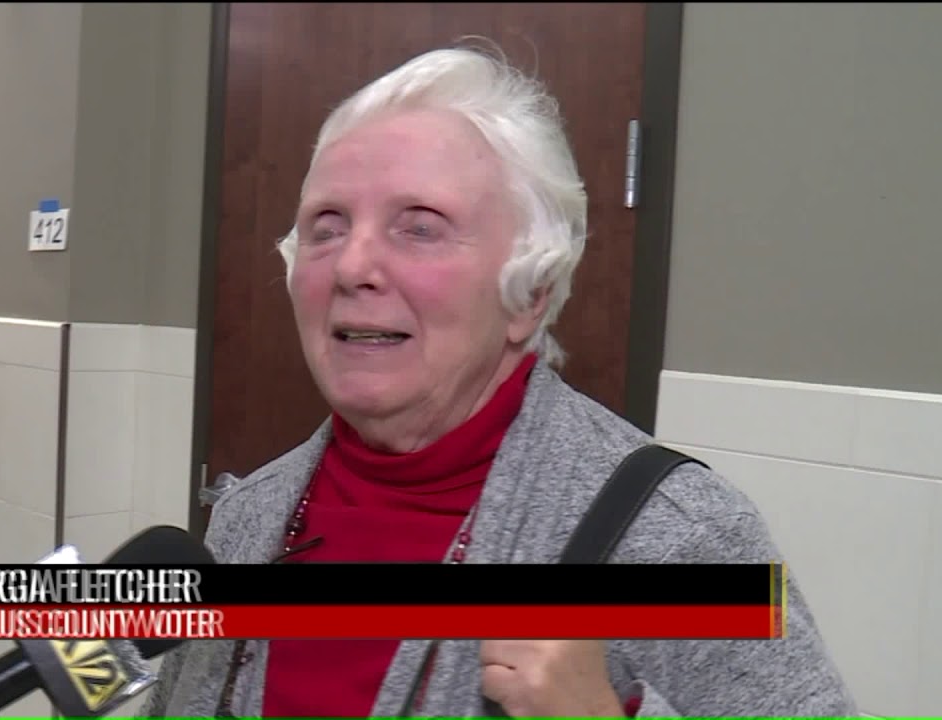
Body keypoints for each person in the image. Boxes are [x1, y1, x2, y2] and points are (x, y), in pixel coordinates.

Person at [140, 44, 856, 717]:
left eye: (419, 227)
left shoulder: (680, 538)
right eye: (326, 226)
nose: (352, 266)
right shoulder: (245, 521)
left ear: (531, 293)